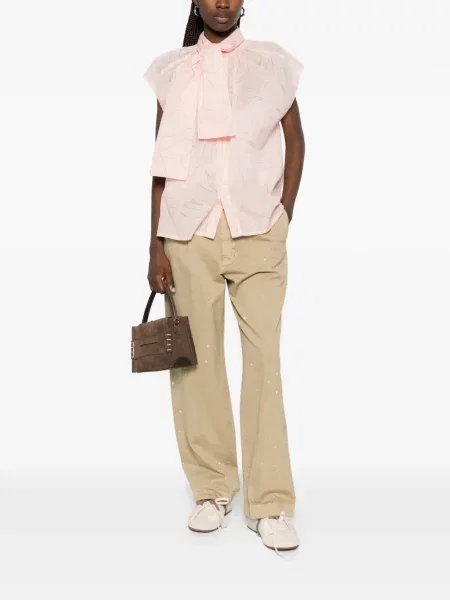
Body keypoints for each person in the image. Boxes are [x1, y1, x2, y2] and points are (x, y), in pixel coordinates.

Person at [143, 0, 305, 554]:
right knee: (197, 363)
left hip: (258, 229)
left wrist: (284, 213)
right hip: (188, 232)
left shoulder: (271, 63)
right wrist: (155, 245)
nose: (222, 2)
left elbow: (296, 139)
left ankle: (270, 502)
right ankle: (212, 489)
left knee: (264, 363)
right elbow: (161, 163)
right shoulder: (172, 71)